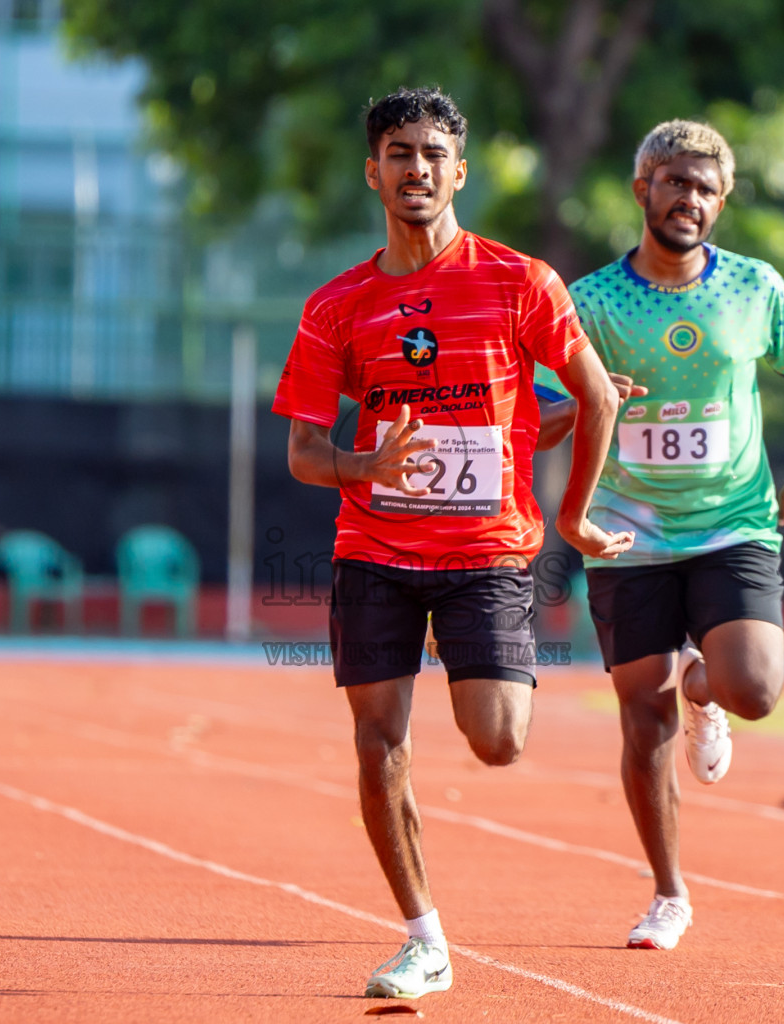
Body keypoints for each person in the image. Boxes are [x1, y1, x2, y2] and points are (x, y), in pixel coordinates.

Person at [272, 87, 631, 999]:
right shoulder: (337, 307)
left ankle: (460, 646)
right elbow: (305, 452)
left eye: (433, 154)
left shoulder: (520, 282)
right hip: (377, 551)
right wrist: (364, 464)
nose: (416, 169)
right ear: (374, 172)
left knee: (498, 740)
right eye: (399, 153)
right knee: (377, 741)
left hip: (488, 555)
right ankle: (422, 938)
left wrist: (577, 515)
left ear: (458, 171)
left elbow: (595, 395)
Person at [534, 119, 784, 951]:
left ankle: (705, 687)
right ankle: (668, 895)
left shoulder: (755, 287)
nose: (689, 200)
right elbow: (533, 414)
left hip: (734, 521)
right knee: (641, 718)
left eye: (704, 188)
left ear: (721, 201)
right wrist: (588, 404)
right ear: (643, 190)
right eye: (675, 183)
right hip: (626, 530)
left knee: (755, 691)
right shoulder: (588, 301)